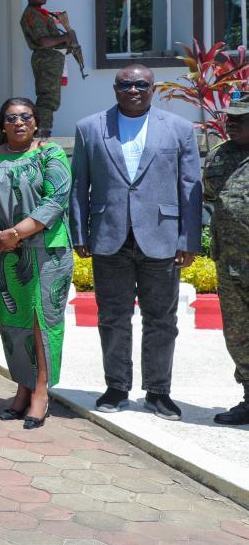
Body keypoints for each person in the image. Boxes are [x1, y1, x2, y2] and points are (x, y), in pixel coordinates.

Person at [70, 64, 202, 420]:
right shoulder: (90, 128)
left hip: (161, 237)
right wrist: (79, 233)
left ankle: (159, 392)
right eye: (125, 84)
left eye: (141, 84)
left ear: (153, 88)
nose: (133, 90)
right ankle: (116, 386)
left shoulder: (178, 128)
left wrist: (188, 237)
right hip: (109, 236)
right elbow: (79, 185)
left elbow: (190, 186)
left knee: (162, 319)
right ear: (115, 89)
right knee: (113, 317)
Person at [0, 97, 73, 429]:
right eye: (11, 117)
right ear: (2, 124)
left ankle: (41, 392)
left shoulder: (50, 154)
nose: (19, 123)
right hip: (3, 252)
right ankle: (22, 387)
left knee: (41, 324)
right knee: (13, 322)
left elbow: (56, 200)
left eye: (25, 117)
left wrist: (16, 233)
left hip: (47, 252)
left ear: (35, 122)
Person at [203, 94, 249, 426]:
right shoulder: (220, 154)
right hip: (230, 263)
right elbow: (208, 196)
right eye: (230, 118)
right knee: (237, 334)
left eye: (240, 119)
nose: (231, 123)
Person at [19, 0, 78, 137]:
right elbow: (44, 41)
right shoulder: (32, 15)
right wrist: (64, 39)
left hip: (51, 59)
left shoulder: (40, 13)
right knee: (47, 100)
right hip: (46, 60)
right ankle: (42, 134)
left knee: (50, 99)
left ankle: (42, 132)